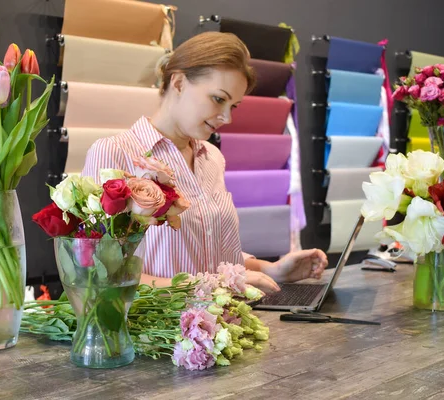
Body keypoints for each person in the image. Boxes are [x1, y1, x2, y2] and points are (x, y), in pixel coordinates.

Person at [83, 32, 328, 294]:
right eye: (219, 99)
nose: (227, 117)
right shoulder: (113, 153)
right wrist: (212, 286)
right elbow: (98, 275)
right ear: (178, 83)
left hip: (218, 326)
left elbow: (208, 253)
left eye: (233, 106)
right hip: (154, 330)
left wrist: (270, 269)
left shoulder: (212, 158)